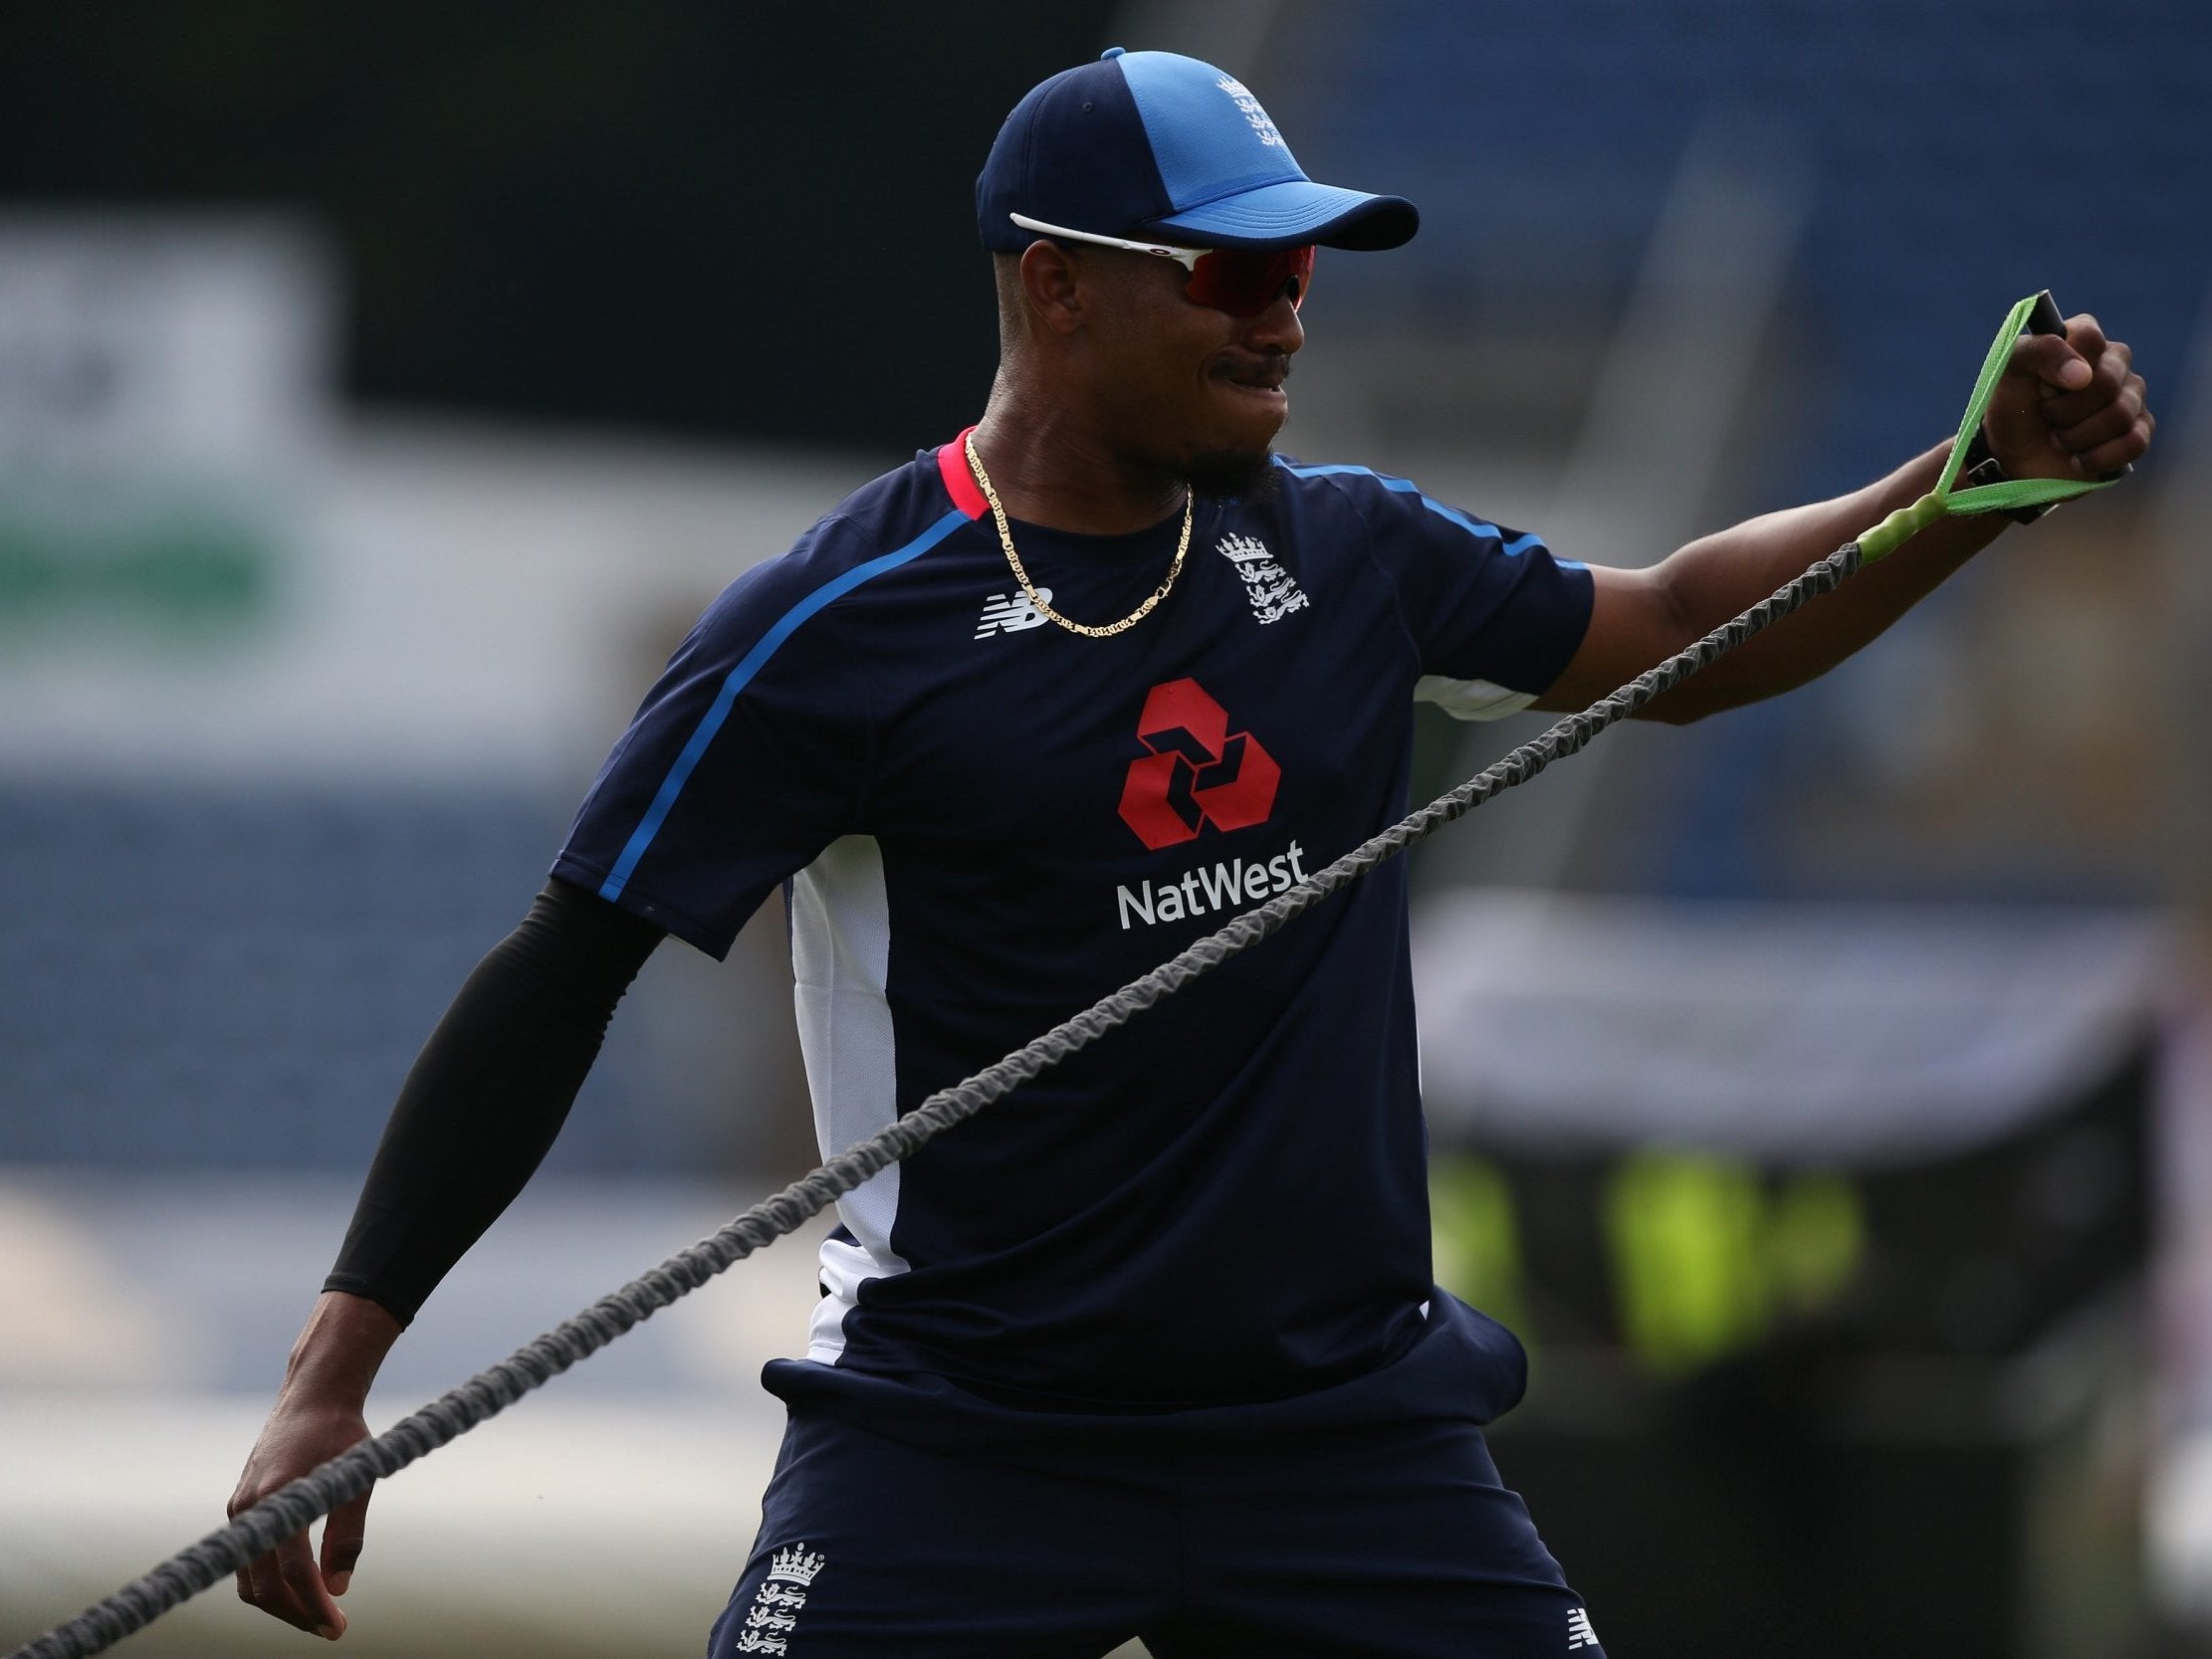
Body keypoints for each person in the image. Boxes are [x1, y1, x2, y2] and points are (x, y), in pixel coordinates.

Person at [228, 47, 2155, 1659]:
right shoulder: (833, 624)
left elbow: (1665, 637)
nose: (1286, 311)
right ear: (1057, 285)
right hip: (957, 1442)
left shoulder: (1346, 550)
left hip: (1340, 1434)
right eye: (1228, 276)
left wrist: (1963, 488)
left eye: (1300, 270)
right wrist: (334, 1378)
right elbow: (561, 971)